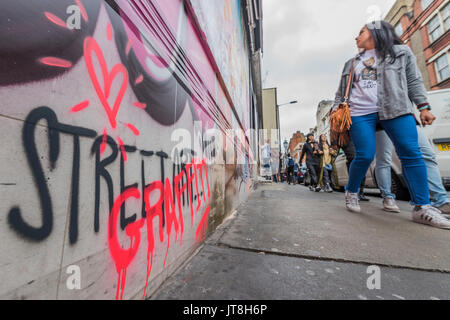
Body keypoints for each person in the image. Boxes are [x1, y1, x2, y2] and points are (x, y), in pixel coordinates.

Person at [332, 21, 450, 229]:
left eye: (361, 32)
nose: (356, 36)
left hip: (395, 108)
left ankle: (422, 207)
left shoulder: (401, 52)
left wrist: (423, 106)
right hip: (360, 114)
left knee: (411, 152)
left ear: (376, 33)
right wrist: (335, 109)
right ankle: (352, 191)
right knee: (365, 155)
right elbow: (341, 92)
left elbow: (413, 80)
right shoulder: (352, 62)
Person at [375, 125, 450, 217]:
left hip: (407, 116)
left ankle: (441, 201)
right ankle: (387, 196)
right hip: (382, 121)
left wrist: (423, 109)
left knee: (427, 154)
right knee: (384, 159)